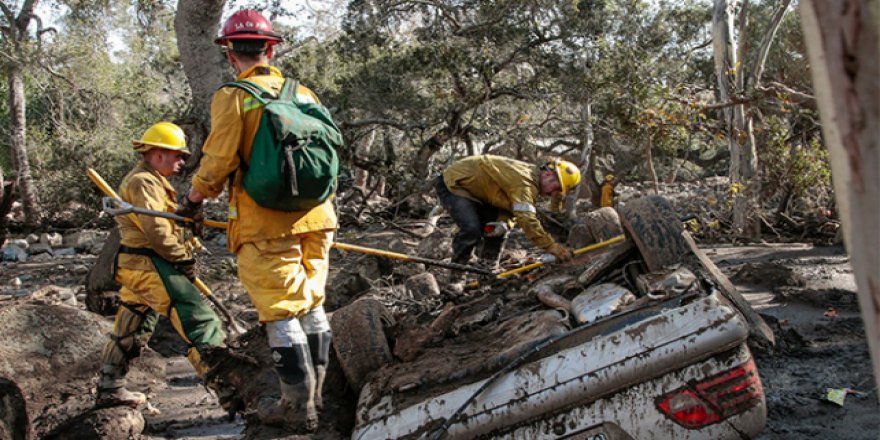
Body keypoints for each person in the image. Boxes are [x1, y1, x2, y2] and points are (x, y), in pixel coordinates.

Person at [176, 9, 335, 431]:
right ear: (270, 48)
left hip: (265, 223)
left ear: (230, 53)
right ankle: (323, 398)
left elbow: (218, 161)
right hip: (318, 217)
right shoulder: (305, 94)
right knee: (313, 304)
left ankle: (300, 409)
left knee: (281, 310)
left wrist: (192, 199)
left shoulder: (234, 96)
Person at [97, 122, 229, 409]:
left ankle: (110, 385)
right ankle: (231, 390)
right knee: (199, 320)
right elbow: (157, 231)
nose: (181, 162)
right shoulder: (143, 182)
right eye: (177, 155)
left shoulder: (151, 181)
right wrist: (182, 259)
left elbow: (164, 221)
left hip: (136, 265)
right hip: (149, 263)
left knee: (131, 325)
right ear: (158, 154)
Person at [435, 154, 582, 268]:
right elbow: (526, 218)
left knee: (499, 227)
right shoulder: (525, 182)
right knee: (471, 229)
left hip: (481, 193)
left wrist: (504, 223)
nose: (553, 194)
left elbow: (511, 208)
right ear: (549, 175)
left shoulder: (531, 183)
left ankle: (488, 266)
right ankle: (457, 275)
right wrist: (549, 245)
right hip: (455, 183)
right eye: (556, 189)